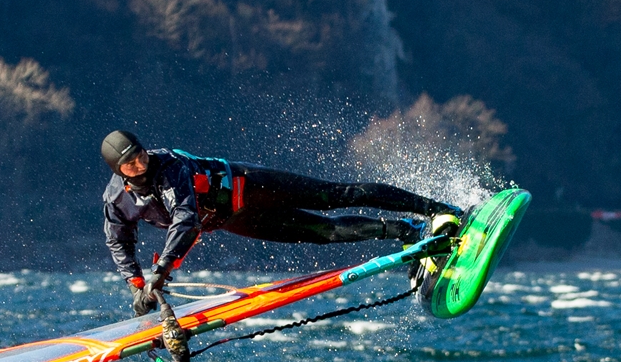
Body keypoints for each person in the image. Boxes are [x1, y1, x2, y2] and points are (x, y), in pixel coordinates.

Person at [99, 130, 464, 327]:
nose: (140, 163)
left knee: (336, 195)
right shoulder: (117, 200)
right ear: (119, 172)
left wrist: (160, 271)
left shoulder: (170, 168)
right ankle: (412, 234)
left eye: (141, 155)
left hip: (250, 184)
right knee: (327, 233)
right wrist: (136, 283)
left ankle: (439, 211)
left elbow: (185, 219)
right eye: (130, 164)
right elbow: (119, 241)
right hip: (238, 219)